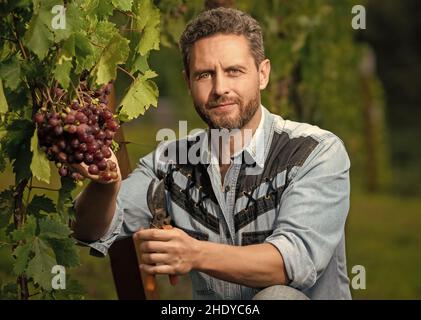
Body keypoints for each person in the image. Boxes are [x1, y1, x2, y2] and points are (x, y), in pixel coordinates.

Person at [72, 7, 351, 300]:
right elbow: (88, 231)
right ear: (188, 82)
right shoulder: (171, 162)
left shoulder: (314, 152)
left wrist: (194, 254)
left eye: (234, 71)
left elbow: (292, 262)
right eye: (205, 74)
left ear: (262, 74)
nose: (220, 88)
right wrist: (107, 185)